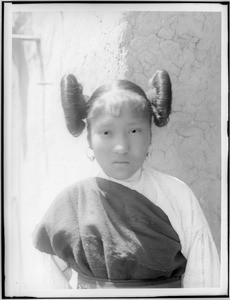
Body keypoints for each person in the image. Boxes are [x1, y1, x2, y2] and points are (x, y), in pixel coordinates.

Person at [32, 70, 220, 289]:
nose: (121, 147)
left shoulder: (177, 196)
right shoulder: (71, 203)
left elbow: (205, 280)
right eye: (106, 133)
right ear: (90, 140)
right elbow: (48, 283)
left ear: (150, 136)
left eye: (133, 130)